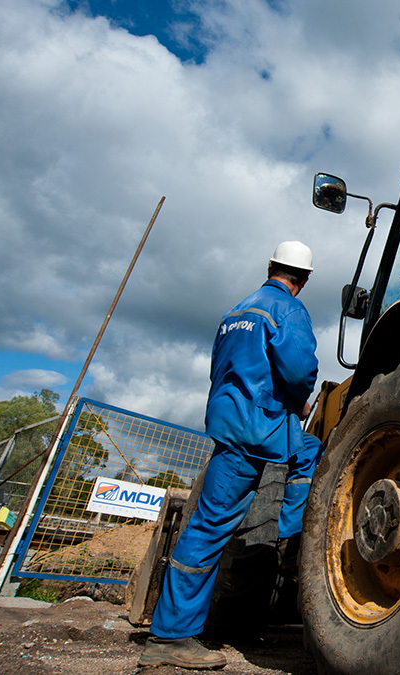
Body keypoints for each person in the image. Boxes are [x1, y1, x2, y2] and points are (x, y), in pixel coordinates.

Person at [139, 241, 324, 669]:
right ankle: (170, 637)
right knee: (210, 525)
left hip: (231, 417)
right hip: (255, 425)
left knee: (306, 450)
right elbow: (298, 370)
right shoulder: (288, 311)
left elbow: (219, 369)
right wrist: (299, 401)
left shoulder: (236, 311)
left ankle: (290, 534)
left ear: (271, 267)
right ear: (305, 279)